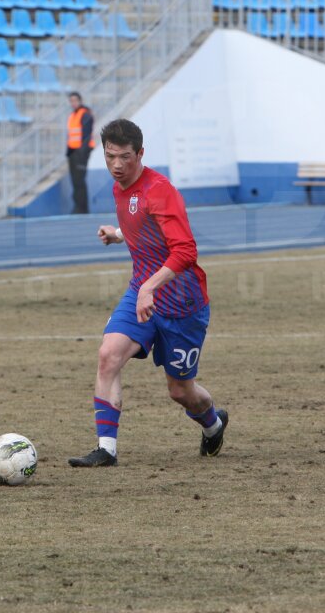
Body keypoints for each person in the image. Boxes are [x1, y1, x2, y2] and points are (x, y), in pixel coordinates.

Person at [68, 119, 225, 468]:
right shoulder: (119, 187)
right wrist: (120, 234)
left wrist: (152, 286)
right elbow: (145, 225)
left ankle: (214, 424)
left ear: (141, 153)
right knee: (108, 355)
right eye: (110, 157)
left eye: (125, 157)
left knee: (180, 391)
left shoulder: (160, 189)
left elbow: (185, 251)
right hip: (142, 293)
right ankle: (106, 449)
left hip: (182, 304)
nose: (117, 166)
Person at [66, 92, 94, 215]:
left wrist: (82, 153)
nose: (73, 103)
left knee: (79, 181)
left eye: (75, 100)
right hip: (72, 152)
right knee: (75, 181)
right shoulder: (73, 115)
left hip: (81, 153)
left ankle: (82, 208)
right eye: (71, 101)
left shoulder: (85, 114)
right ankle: (78, 206)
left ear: (80, 100)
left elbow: (86, 135)